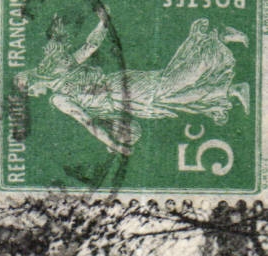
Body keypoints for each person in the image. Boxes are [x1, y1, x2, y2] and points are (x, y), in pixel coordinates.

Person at [16, 9, 249, 156]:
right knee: (173, 97)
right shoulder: (61, 80)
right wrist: (103, 23)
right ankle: (230, 87)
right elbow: (90, 47)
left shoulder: (58, 97)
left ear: (34, 80)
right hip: (124, 97)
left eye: (29, 90)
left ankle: (215, 40)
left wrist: (103, 23)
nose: (33, 95)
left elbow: (87, 121)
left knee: (170, 87)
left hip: (122, 90)